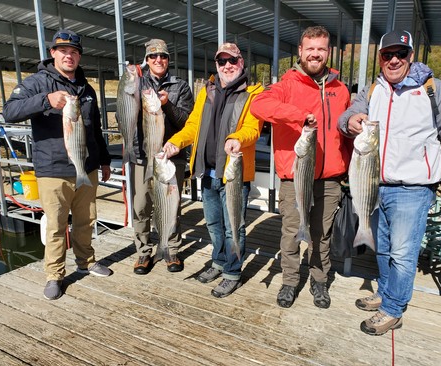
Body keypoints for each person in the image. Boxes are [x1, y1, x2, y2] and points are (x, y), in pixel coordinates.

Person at [338, 30, 441, 335]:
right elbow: (349, 115)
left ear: (411, 56)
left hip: (412, 189)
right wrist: (350, 121)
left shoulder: (434, 89)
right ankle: (386, 293)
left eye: (401, 53)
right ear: (381, 58)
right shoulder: (374, 89)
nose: (394, 59)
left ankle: (393, 308)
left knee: (402, 252)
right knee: (383, 249)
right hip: (375, 184)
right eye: (388, 54)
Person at [3, 29, 113, 300]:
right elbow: (10, 111)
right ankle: (55, 275)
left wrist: (105, 160)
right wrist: (45, 100)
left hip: (86, 167)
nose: (69, 55)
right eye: (63, 51)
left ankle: (86, 262)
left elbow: (95, 128)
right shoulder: (37, 83)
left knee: (87, 220)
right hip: (52, 170)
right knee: (55, 225)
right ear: (53, 53)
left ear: (79, 56)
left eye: (74, 51)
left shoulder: (86, 88)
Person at [250, 26, 352, 309]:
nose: (315, 54)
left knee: (322, 235)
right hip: (294, 178)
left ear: (328, 52)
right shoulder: (286, 85)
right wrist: (298, 117)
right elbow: (259, 105)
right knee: (292, 233)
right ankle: (290, 281)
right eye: (310, 49)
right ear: (300, 51)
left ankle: (319, 280)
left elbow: (345, 133)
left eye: (321, 49)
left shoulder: (340, 89)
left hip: (330, 179)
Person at [163, 42, 264, 298]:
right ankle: (218, 261)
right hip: (206, 172)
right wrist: (176, 142)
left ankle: (232, 271)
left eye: (232, 60)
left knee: (234, 227)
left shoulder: (253, 93)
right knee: (214, 224)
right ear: (216, 66)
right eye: (222, 61)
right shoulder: (205, 92)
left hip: (233, 175)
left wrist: (238, 138)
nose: (227, 66)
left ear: (241, 63)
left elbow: (253, 128)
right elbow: (193, 125)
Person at [129, 39, 194, 275]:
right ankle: (144, 253)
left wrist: (166, 105)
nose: (159, 60)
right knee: (141, 205)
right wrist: (131, 78)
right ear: (146, 61)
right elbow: (126, 112)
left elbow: (186, 122)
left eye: (163, 56)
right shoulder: (137, 83)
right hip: (142, 156)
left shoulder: (181, 87)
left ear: (168, 60)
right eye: (153, 56)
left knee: (171, 204)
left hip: (171, 157)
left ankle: (171, 249)